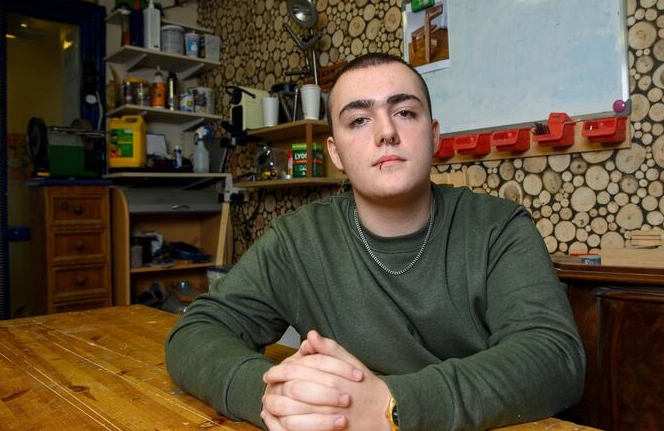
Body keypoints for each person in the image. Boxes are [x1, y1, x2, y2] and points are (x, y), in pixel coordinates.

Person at [165, 53, 585, 431]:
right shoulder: (298, 240)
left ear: (434, 135)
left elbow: (554, 357)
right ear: (335, 152)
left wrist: (391, 405)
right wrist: (271, 397)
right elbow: (196, 331)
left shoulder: (499, 228)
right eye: (359, 120)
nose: (386, 132)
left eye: (404, 112)